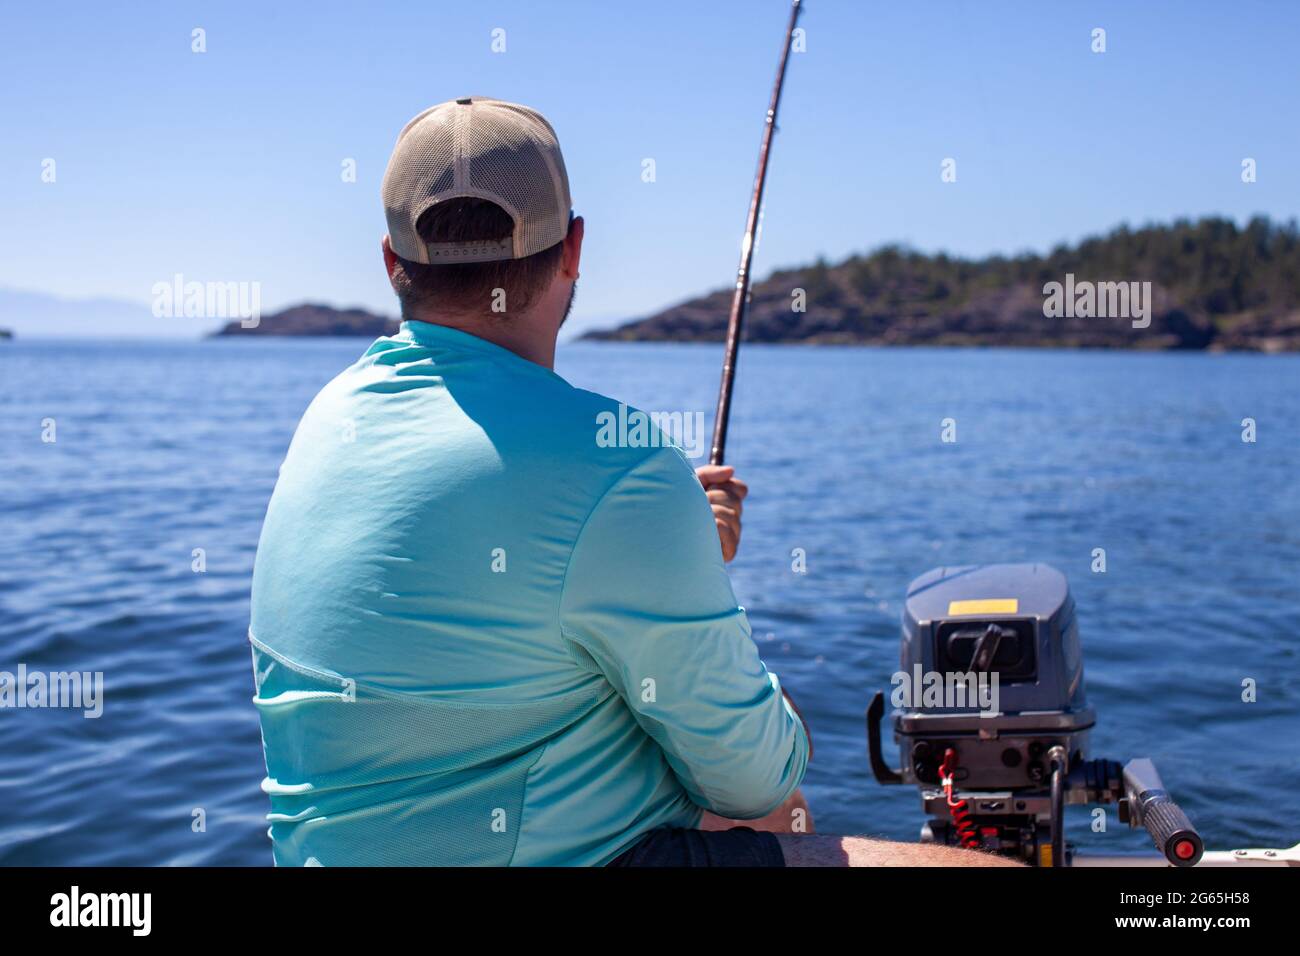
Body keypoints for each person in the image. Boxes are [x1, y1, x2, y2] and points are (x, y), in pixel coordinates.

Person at [248, 97, 1016, 867]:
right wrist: (680, 555)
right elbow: (754, 778)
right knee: (802, 813)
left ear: (390, 260)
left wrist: (673, 546)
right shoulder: (621, 471)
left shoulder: (323, 423)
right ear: (575, 247)